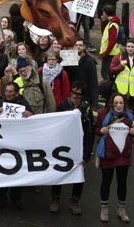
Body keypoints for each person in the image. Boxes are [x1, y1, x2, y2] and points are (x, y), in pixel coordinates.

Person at [49, 82, 94, 215]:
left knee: (78, 175)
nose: (75, 96)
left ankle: (74, 201)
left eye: (78, 94)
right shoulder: (62, 106)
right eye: (73, 93)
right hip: (62, 147)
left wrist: (86, 155)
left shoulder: (86, 108)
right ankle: (55, 199)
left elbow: (90, 134)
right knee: (58, 173)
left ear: (82, 96)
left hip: (78, 148)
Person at [94, 93, 134, 223]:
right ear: (112, 103)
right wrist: (100, 131)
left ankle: (122, 210)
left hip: (124, 156)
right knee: (106, 182)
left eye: (121, 103)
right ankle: (104, 209)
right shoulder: (103, 114)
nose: (119, 105)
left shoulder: (130, 117)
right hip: (108, 156)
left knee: (122, 183)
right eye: (116, 103)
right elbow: (96, 129)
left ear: (124, 104)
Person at [0, 81, 33, 209]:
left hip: (18, 144)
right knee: (0, 172)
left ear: (16, 93)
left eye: (10, 92)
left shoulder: (24, 104)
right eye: (6, 91)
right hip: (2, 144)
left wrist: (29, 115)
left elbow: (34, 118)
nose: (8, 94)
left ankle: (16, 199)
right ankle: (0, 198)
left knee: (17, 172)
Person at [110, 38, 134, 114]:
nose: (130, 49)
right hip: (120, 90)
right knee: (118, 111)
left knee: (133, 112)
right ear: (125, 47)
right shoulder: (118, 57)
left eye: (132, 47)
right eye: (128, 46)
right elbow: (111, 70)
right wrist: (120, 66)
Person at [99, 5, 122, 81]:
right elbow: (105, 33)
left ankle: (110, 89)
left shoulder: (113, 25)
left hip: (110, 54)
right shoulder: (111, 23)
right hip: (110, 53)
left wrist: (105, 53)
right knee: (108, 73)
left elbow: (112, 41)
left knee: (105, 73)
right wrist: (103, 22)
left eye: (103, 12)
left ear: (105, 13)